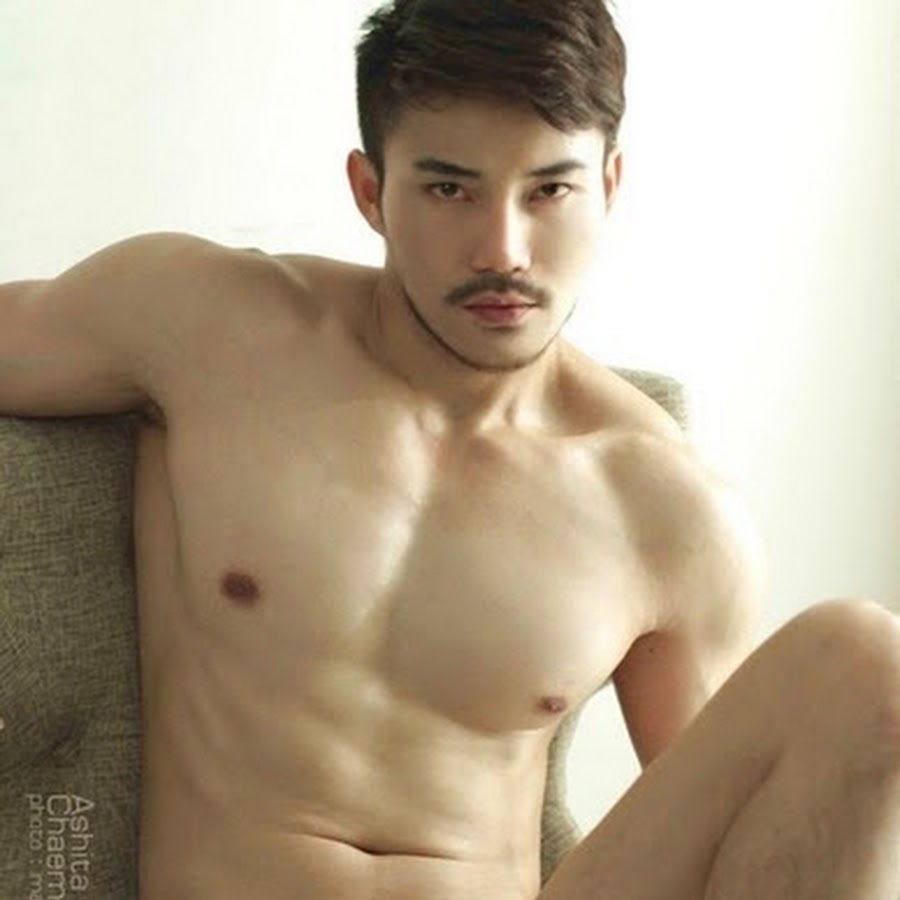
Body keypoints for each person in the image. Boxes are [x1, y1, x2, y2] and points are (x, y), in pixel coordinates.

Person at [1, 0, 899, 897]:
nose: (502, 250)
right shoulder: (206, 326)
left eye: (549, 190)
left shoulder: (664, 507)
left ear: (610, 186)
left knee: (866, 663)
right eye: (449, 189)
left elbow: (736, 846)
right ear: (370, 191)